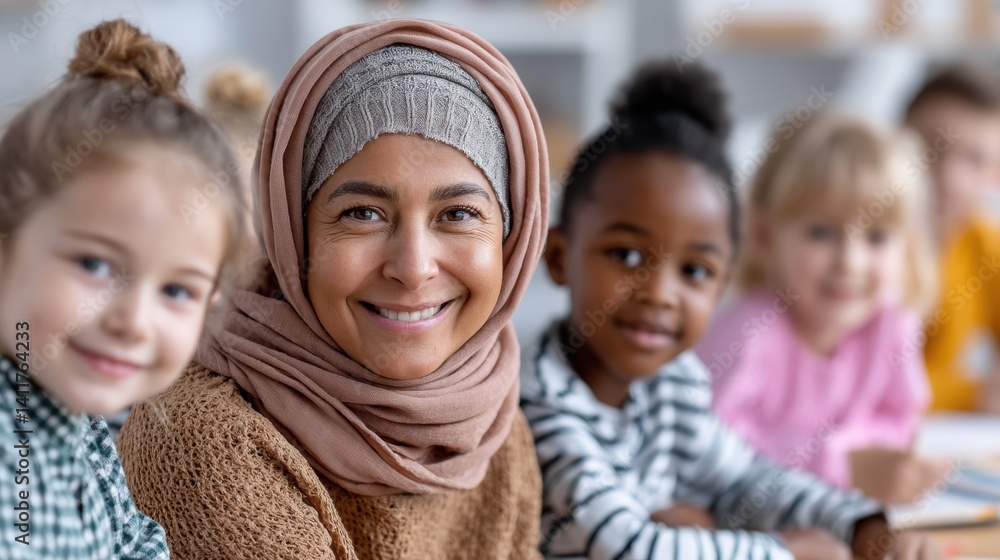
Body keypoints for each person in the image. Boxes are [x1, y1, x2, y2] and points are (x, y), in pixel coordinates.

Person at [118, 19, 548, 559]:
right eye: (362, 213)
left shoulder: (493, 429)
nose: (413, 268)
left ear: (513, 238)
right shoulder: (202, 440)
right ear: (292, 236)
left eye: (458, 213)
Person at [521, 61, 940, 559]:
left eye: (695, 271)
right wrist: (786, 553)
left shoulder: (671, 383)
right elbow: (631, 548)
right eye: (627, 256)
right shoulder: (542, 404)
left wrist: (862, 526)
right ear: (559, 258)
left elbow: (747, 479)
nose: (661, 293)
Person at [0, 19, 248, 559]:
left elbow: (135, 541)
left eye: (177, 292)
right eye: (94, 263)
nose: (134, 320)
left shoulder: (82, 421)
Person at [695, 113, 945, 505]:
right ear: (764, 235)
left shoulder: (892, 323)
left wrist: (872, 463)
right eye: (821, 233)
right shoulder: (748, 332)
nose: (850, 262)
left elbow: (900, 418)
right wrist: (839, 465)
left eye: (877, 237)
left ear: (907, 247)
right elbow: (705, 454)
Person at [904, 62, 1000, 412]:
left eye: (975, 160)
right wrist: (974, 393)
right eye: (931, 148)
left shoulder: (987, 245)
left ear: (996, 174)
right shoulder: (854, 246)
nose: (949, 177)